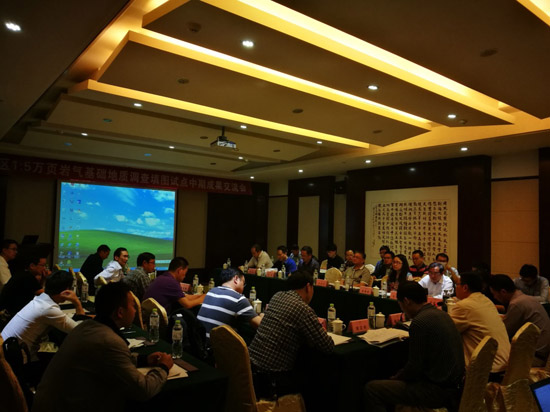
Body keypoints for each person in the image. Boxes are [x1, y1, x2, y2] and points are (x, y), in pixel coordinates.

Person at [33, 282, 173, 412]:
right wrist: (163, 368)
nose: (136, 310)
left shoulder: (86, 327)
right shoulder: (109, 341)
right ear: (120, 312)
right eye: (133, 306)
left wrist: (144, 359)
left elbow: (110, 361)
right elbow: (143, 390)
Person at [364, 282, 464, 412]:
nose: (402, 310)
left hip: (438, 391)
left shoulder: (420, 322)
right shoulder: (441, 314)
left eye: (400, 305)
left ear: (406, 301)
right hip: (455, 386)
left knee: (373, 389)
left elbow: (414, 367)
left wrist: (396, 378)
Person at [249, 271, 334, 398]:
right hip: (273, 377)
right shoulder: (303, 309)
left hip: (250, 366)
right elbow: (327, 346)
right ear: (308, 287)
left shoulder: (277, 296)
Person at [1, 270, 84, 360]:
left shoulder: (39, 299)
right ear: (67, 290)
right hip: (18, 360)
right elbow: (81, 331)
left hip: (6, 350)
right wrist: (77, 302)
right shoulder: (49, 309)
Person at [450, 272, 510, 375]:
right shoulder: (486, 300)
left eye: (457, 285)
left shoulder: (464, 306)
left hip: (488, 368)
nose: (456, 288)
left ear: (465, 287)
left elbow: (447, 331)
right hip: (505, 363)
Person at [489, 274, 550, 366]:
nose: (494, 297)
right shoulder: (525, 298)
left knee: (493, 359)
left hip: (536, 356)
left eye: (494, 294)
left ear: (503, 292)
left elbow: (505, 332)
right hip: (543, 351)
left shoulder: (516, 303)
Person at [197, 268, 261, 339]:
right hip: (216, 344)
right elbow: (260, 324)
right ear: (236, 279)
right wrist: (262, 315)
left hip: (200, 341)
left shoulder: (211, 291)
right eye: (243, 283)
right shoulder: (238, 299)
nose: (243, 287)